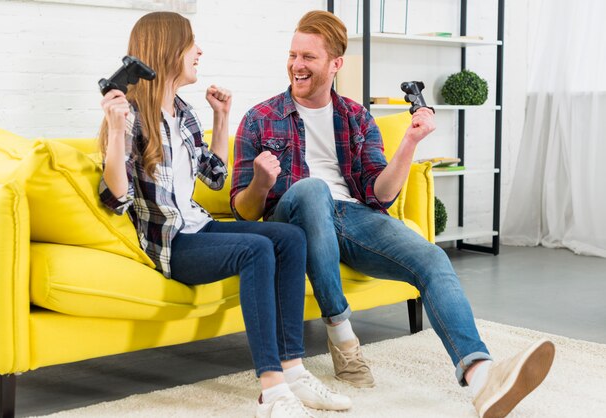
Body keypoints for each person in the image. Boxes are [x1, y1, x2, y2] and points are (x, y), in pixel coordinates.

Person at [231, 10, 555, 418]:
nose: (297, 65)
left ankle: (481, 375)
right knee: (312, 190)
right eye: (293, 55)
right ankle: (341, 332)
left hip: (351, 217)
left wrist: (410, 143)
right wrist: (261, 181)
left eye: (309, 57)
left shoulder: (355, 116)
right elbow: (244, 211)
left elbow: (379, 194)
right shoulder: (260, 118)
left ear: (335, 64)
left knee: (432, 259)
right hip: (290, 221)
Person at [98, 11, 351, 418]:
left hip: (198, 226)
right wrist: (113, 131)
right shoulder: (131, 116)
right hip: (171, 244)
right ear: (166, 51)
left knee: (290, 238)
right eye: (190, 43)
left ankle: (294, 371)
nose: (198, 51)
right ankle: (271, 390)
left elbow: (215, 177)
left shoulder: (182, 112)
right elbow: (116, 198)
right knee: (256, 251)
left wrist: (220, 117)